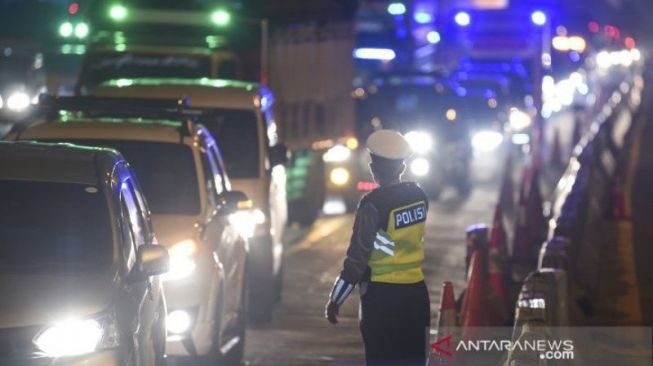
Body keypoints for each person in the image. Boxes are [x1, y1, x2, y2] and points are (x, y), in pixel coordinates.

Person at [325, 129, 431, 366]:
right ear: (402, 167)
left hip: (382, 298)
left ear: (373, 167)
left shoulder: (372, 205)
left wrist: (336, 299)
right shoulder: (420, 196)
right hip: (416, 294)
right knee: (414, 360)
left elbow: (356, 259)